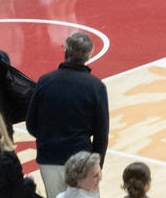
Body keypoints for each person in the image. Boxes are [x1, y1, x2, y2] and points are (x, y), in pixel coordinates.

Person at [27, 31, 110, 197]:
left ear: (65, 50)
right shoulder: (96, 86)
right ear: (89, 54)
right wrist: (96, 164)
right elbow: (101, 133)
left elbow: (31, 124)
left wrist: (49, 139)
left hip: (49, 157)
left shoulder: (45, 81)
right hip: (82, 161)